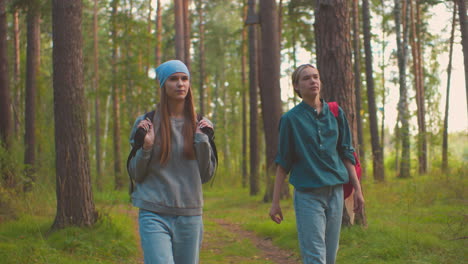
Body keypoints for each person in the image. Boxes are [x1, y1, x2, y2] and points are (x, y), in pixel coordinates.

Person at [269, 64, 365, 264]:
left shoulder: (335, 112)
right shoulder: (290, 120)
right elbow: (283, 162)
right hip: (308, 196)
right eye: (306, 78)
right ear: (296, 86)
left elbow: (347, 152)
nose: (313, 81)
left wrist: (358, 190)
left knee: (330, 257)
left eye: (316, 77)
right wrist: (275, 202)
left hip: (335, 193)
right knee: (315, 258)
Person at [128, 60, 217, 264]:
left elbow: (206, 175)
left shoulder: (202, 125)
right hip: (154, 212)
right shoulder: (146, 124)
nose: (180, 84)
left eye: (184, 78)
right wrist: (146, 148)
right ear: (162, 85)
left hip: (190, 213)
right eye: (173, 79)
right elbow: (136, 173)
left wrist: (202, 140)